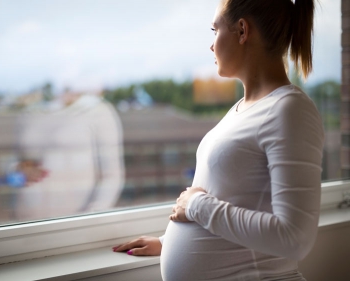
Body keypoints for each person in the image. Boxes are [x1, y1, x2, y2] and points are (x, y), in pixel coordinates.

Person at [113, 0, 324, 280]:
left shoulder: (290, 110)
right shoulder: (243, 108)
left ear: (241, 30)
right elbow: (237, 195)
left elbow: (294, 238)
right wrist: (167, 242)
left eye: (215, 30)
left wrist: (197, 206)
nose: (211, 45)